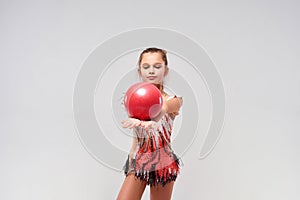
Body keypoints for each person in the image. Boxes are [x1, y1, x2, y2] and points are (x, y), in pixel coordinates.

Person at [117, 47, 183, 200]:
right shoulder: (135, 100)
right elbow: (137, 136)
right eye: (146, 67)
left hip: (163, 163)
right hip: (140, 161)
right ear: (139, 70)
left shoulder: (174, 100)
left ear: (165, 70)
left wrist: (151, 120)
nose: (151, 71)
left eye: (157, 66)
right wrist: (131, 156)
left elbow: (163, 108)